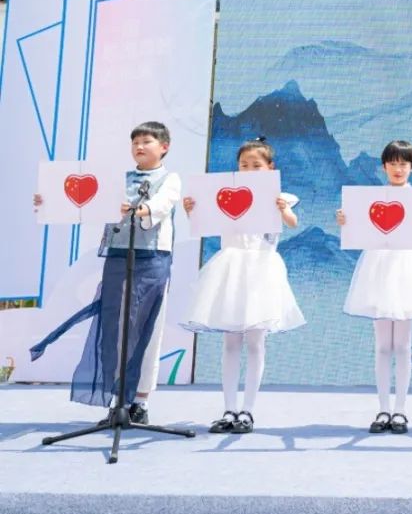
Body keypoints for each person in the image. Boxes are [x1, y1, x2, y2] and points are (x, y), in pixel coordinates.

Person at [30, 121, 181, 425]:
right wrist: (48, 201)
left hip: (152, 258)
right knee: (115, 327)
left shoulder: (170, 178)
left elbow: (162, 205)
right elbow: (85, 204)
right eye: (135, 142)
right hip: (117, 255)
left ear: (164, 147)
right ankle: (117, 399)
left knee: (146, 328)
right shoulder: (117, 179)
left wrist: (138, 210)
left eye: (147, 141)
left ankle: (140, 401)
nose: (139, 146)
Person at [181, 137, 304, 434]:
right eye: (243, 165)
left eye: (256, 165)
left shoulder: (281, 197)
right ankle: (228, 408)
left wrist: (282, 209)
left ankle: (248, 410)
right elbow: (204, 222)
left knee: (255, 342)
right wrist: (190, 210)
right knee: (231, 342)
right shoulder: (225, 194)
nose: (249, 170)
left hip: (261, 271)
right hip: (231, 270)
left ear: (270, 167)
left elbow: (292, 222)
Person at [338, 140, 412, 435]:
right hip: (379, 269)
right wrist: (345, 219)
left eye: (403, 164)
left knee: (403, 345)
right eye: (393, 163)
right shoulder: (371, 199)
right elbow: (357, 227)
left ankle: (401, 410)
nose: (398, 169)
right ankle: (383, 409)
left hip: (408, 270)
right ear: (383, 167)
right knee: (383, 346)